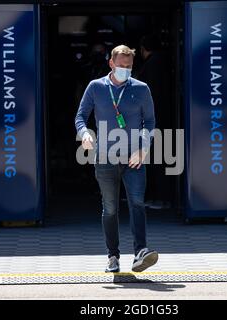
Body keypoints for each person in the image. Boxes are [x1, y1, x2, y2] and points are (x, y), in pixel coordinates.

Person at [75, 44, 159, 273]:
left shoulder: (141, 89)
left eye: (129, 67)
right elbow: (81, 117)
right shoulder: (96, 87)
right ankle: (113, 255)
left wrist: (143, 148)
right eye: (121, 66)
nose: (125, 70)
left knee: (137, 203)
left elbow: (149, 122)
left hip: (134, 158)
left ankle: (140, 252)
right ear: (111, 64)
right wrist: (84, 134)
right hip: (105, 158)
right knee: (110, 209)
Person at [136, 34, 172, 209]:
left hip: (154, 119)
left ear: (143, 49)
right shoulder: (164, 63)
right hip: (163, 117)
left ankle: (160, 197)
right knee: (163, 157)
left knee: (156, 158)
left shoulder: (152, 66)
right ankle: (162, 196)